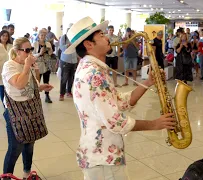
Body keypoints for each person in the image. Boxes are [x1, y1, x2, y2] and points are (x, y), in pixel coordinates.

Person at [64, 17, 175, 180]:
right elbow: (116, 123)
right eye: (101, 35)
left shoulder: (91, 69)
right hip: (102, 159)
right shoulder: (94, 75)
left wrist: (148, 82)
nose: (107, 38)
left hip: (99, 155)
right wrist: (155, 124)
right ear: (89, 45)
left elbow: (118, 101)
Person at [2, 37, 53, 179]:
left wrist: (41, 87)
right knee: (15, 147)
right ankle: (6, 176)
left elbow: (29, 86)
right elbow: (18, 84)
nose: (30, 53)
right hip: (15, 112)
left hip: (30, 111)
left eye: (31, 49)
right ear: (17, 52)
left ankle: (27, 173)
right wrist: (26, 66)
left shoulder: (27, 65)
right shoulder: (9, 65)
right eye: (27, 50)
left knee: (29, 143)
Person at [32, 28, 53, 103]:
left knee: (46, 80)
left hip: (47, 65)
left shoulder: (48, 43)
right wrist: (40, 53)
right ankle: (35, 96)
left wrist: (50, 51)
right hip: (38, 65)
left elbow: (50, 54)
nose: (43, 36)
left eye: (44, 35)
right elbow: (32, 55)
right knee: (37, 81)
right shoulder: (35, 44)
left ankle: (47, 96)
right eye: (41, 35)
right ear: (38, 35)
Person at [59, 24, 78, 101]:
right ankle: (61, 94)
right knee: (64, 78)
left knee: (71, 78)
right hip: (65, 60)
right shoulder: (64, 37)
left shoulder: (76, 38)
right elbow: (61, 47)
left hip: (74, 60)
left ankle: (69, 92)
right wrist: (68, 45)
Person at [0, 30, 13, 105]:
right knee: (2, 92)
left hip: (10, 71)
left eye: (6, 36)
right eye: (3, 35)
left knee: (9, 91)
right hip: (1, 71)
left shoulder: (11, 46)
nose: (5, 37)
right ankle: (6, 111)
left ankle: (9, 109)